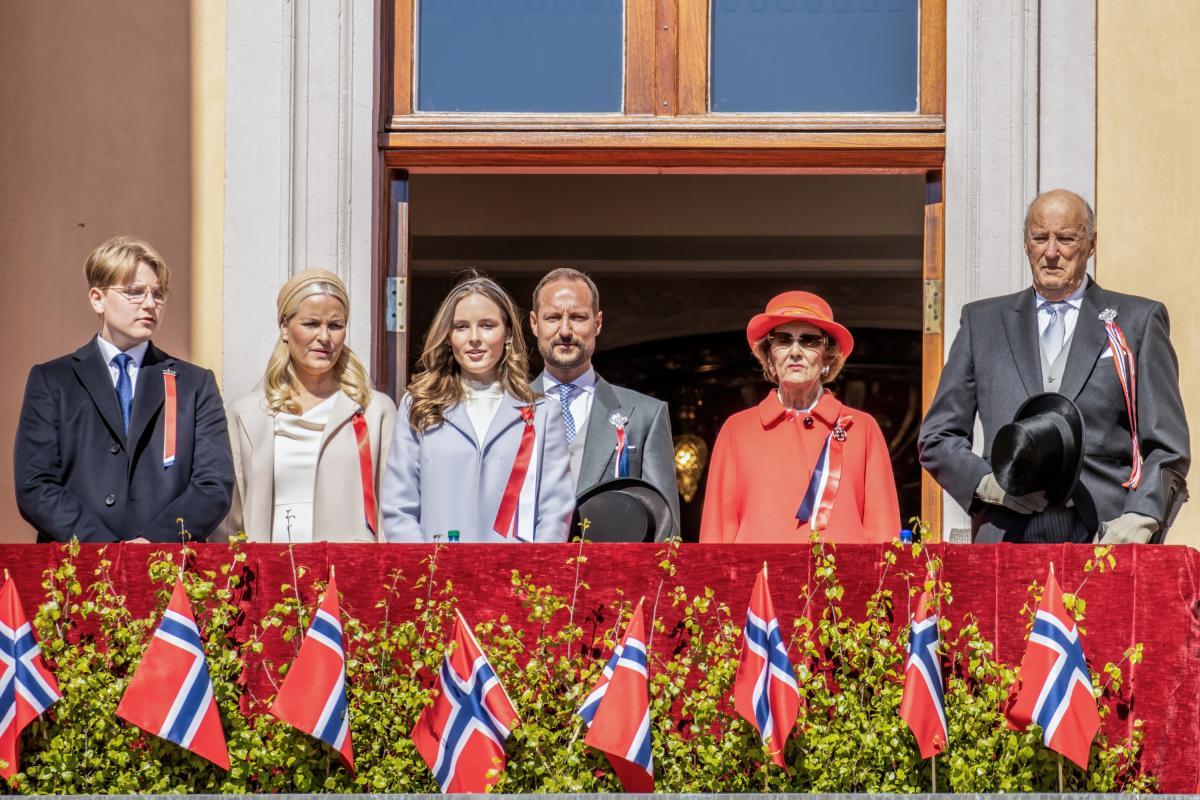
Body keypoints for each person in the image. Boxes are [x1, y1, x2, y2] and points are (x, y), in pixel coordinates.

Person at [919, 189, 1190, 544]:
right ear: (1025, 242)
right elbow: (938, 437)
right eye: (1039, 238)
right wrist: (989, 485)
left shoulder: (1138, 321)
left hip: (1105, 535)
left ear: (1091, 244)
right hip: (1006, 535)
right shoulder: (981, 323)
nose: (1050, 252)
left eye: (1065, 238)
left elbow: (1168, 446)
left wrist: (1141, 518)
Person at [14, 236, 233, 543]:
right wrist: (105, 550)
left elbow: (214, 484)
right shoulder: (52, 380)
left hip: (167, 568)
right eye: (134, 292)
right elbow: (35, 484)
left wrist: (152, 543)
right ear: (97, 298)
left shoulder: (195, 384)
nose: (149, 303)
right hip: (76, 567)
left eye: (157, 294)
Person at [381, 275, 574, 542]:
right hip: (437, 576)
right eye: (461, 327)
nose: (474, 338)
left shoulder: (542, 412)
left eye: (486, 325)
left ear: (507, 332)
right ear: (448, 336)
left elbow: (555, 512)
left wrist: (531, 577)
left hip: (517, 579)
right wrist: (426, 574)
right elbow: (399, 508)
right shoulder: (418, 407)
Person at [699, 291, 900, 543]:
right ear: (770, 355)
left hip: (844, 581)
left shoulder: (862, 428)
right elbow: (716, 536)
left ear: (827, 355)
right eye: (783, 339)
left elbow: (883, 534)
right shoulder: (737, 430)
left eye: (809, 340)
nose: (795, 351)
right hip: (760, 581)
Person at [217, 269, 396, 542]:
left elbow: (390, 509)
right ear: (284, 328)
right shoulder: (246, 414)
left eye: (335, 326)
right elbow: (230, 519)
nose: (325, 337)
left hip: (349, 573)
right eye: (311, 324)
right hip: (270, 574)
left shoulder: (375, 411)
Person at [529, 268, 681, 540]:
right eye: (552, 317)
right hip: (523, 575)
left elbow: (665, 530)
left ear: (597, 323)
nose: (565, 330)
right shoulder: (506, 409)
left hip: (614, 577)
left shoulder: (646, 414)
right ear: (534, 323)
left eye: (578, 317)